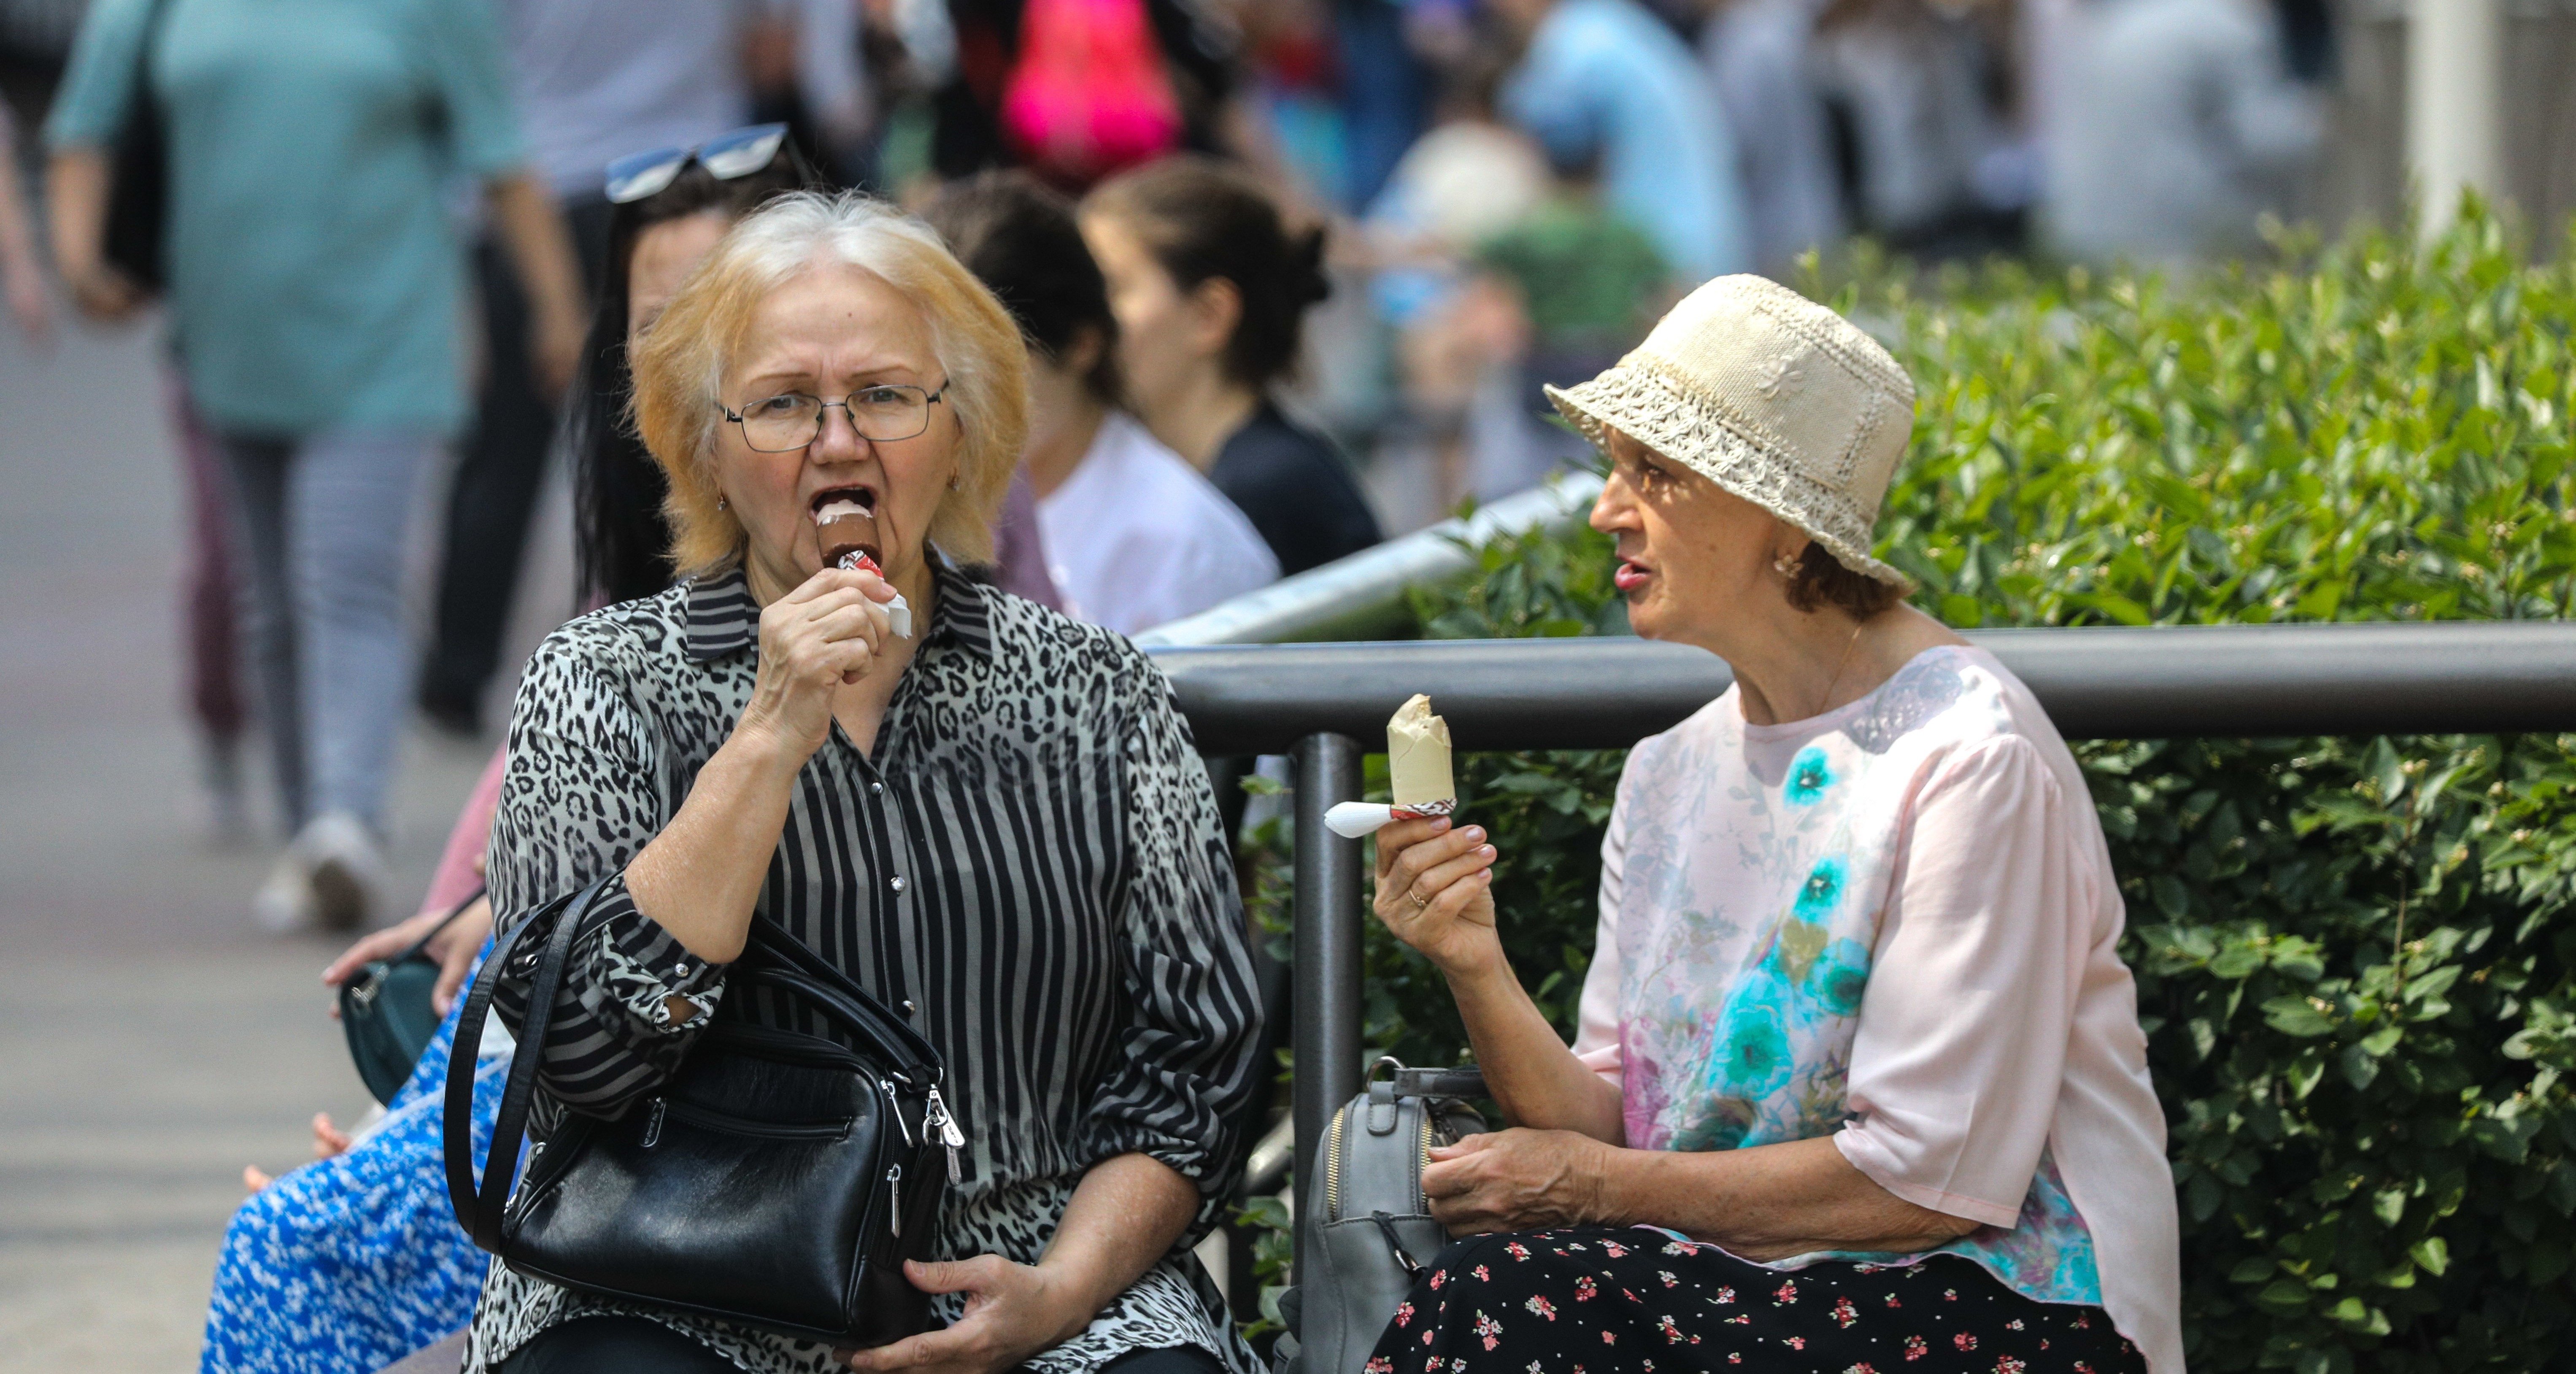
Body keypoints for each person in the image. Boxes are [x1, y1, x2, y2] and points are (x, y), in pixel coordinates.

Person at [467, 190, 1264, 1374]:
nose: (838, 444)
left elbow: (1196, 1057)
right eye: (785, 404)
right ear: (711, 450)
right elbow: (575, 1057)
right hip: (678, 1275)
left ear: (962, 429)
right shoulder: (604, 682)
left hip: (1041, 1270)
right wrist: (768, 736)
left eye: (885, 397)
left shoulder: (1097, 692)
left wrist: (1060, 1292)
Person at [1363, 275, 2181, 1371]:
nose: (1608, 507)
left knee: (1497, 1309)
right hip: (1739, 1279)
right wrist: (1471, 958)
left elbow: (1926, 1182)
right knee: (1496, 1306)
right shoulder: (1670, 768)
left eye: (1654, 471)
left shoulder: (1971, 759)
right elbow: (1610, 1122)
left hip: (2006, 1300)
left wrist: (1592, 1191)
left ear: (1782, 525)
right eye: (1616, 465)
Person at [199, 141, 826, 1374]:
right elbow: (542, 821)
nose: (689, 362)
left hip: (724, 1062)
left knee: (295, 1243)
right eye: (657, 323)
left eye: (730, 314)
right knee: (302, 1228)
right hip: (591, 1015)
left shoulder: (875, 525)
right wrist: (469, 919)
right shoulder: (647, 553)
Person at [43, 0, 588, 931]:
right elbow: (83, 127)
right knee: (273, 600)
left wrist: (556, 305)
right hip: (231, 341)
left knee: (348, 578)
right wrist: (79, 258)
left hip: (385, 337)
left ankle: (348, 818)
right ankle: (314, 828)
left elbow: (500, 154)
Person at [417, 0, 761, 738]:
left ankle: (458, 667)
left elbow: (467, 78)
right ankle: (684, 644)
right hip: (697, 196)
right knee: (675, 439)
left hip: (538, 192)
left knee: (506, 454)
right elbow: (776, 54)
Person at [925, 170, 1276, 636]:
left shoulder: (1180, 544)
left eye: (992, 376)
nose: (959, 406)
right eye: (933, 377)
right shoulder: (923, 505)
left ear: (1082, 345)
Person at [1080, 157, 1380, 578]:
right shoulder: (1192, 476)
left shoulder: (1272, 488)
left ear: (1209, 316)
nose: (1081, 321)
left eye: (1112, 289)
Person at [1483, 0, 1749, 285]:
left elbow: (1545, 122)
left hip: (1669, 250)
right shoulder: (1607, 20)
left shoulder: (1580, 39)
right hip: (1715, 239)